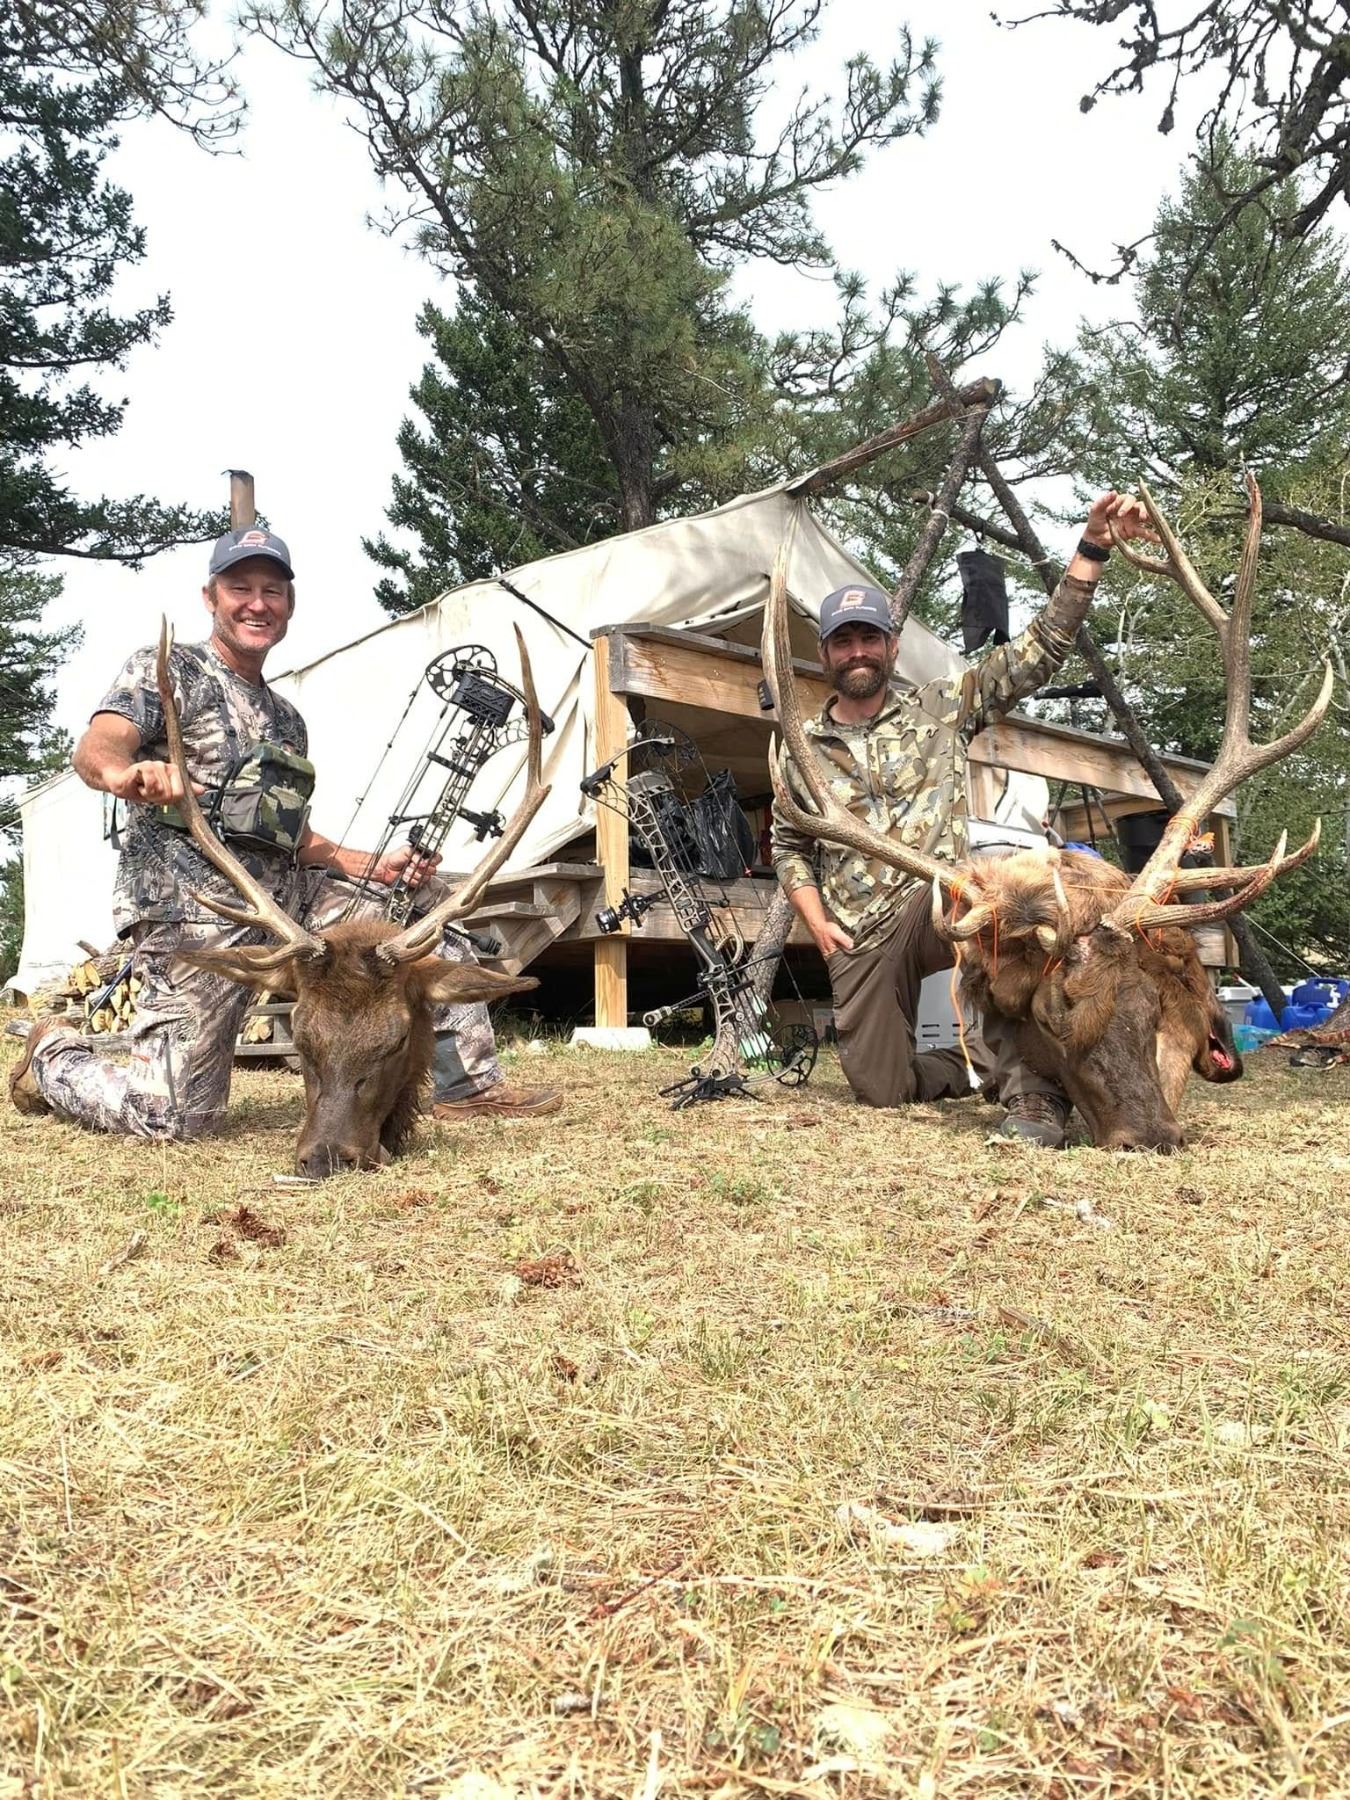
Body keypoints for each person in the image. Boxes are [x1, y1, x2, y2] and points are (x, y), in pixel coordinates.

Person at [10, 525, 559, 1135]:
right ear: (210, 597)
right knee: (174, 1118)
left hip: (287, 897)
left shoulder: (286, 719)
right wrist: (124, 773)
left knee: (419, 921)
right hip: (194, 908)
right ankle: (53, 1056)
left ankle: (468, 1085)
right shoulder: (170, 672)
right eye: (239, 588)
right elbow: (97, 745)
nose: (257, 603)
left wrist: (369, 865)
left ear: (288, 606)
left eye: (271, 591)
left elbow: (287, 837)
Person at [770, 493, 1156, 1148]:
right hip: (859, 930)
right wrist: (816, 921)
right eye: (844, 641)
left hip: (940, 899)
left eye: (869, 638)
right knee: (880, 1088)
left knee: (995, 914)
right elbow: (789, 846)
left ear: (891, 647)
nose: (858, 651)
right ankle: (957, 1067)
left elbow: (1040, 650)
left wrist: (1092, 548)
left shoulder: (943, 707)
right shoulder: (799, 748)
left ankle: (1032, 1092)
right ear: (827, 652)